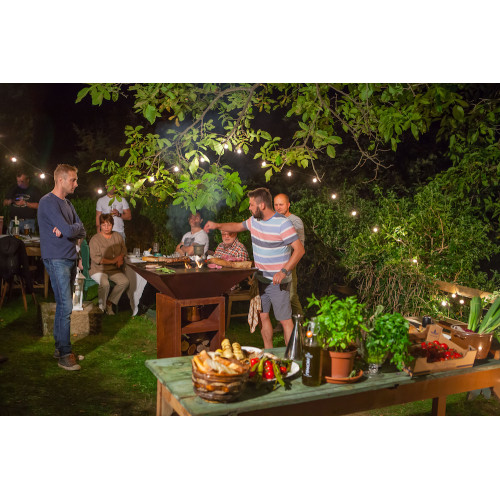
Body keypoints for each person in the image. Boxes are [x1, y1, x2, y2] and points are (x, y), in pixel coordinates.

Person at [204, 187, 305, 349]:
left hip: (278, 282)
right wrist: (217, 225)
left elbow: (299, 250)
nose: (250, 208)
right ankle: (268, 352)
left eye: (251, 205)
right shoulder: (254, 221)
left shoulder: (283, 223)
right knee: (263, 317)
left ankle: (292, 357)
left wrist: (284, 271)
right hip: (260, 280)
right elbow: (237, 226)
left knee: (285, 320)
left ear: (262, 205)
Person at [37, 164, 86, 371]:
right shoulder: (48, 202)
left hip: (70, 257)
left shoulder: (68, 204)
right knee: (66, 306)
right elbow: (69, 230)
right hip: (56, 258)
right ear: (61, 180)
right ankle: (65, 355)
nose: (76, 183)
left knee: (62, 306)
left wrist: (70, 230)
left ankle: (60, 348)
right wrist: (70, 230)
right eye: (73, 180)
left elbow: (81, 230)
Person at [89, 213, 129, 315]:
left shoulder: (117, 236)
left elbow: (124, 249)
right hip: (98, 269)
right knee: (105, 284)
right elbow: (97, 259)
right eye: (104, 225)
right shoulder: (95, 239)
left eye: (109, 225)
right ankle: (101, 308)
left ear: (112, 225)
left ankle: (109, 303)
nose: (106, 227)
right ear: (100, 226)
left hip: (113, 270)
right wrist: (114, 260)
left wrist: (120, 258)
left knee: (124, 282)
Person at [273, 193, 305, 318]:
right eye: (276, 205)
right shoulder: (273, 220)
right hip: (275, 263)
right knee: (279, 296)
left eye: (281, 204)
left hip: (288, 263)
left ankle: (300, 324)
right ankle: (283, 323)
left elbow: (299, 246)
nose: (278, 207)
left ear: (288, 205)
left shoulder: (295, 221)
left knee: (291, 296)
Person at [3, 168, 42, 233]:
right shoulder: (13, 188)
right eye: (18, 181)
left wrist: (25, 203)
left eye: (22, 181)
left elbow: (40, 206)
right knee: (11, 239)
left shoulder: (34, 190)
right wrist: (10, 201)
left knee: (28, 239)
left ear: (27, 180)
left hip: (28, 222)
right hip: (14, 221)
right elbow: (4, 202)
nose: (19, 184)